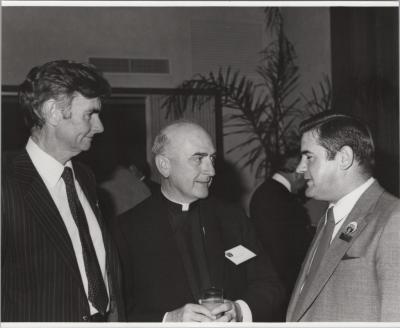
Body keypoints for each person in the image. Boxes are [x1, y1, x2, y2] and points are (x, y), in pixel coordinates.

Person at [113, 121, 284, 322]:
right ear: (164, 165)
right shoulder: (127, 229)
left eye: (211, 159)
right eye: (198, 159)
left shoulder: (233, 218)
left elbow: (271, 285)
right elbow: (118, 309)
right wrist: (168, 320)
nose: (211, 171)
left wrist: (238, 311)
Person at [2, 60, 125, 322]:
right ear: (53, 112)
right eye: (90, 114)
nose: (100, 126)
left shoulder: (84, 177)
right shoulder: (5, 180)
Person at [286, 112, 400, 321]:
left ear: (344, 158)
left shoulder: (393, 219)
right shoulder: (329, 220)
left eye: (309, 157)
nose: (300, 168)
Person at [249, 151, 314, 320]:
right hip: (281, 287)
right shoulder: (278, 198)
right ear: (297, 173)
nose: (307, 179)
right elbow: (281, 251)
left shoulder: (268, 192)